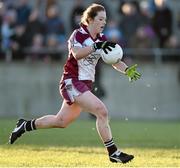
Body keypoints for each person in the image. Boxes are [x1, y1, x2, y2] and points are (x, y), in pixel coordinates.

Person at [9, 3, 141, 164]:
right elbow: (77, 54)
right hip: (70, 82)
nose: (104, 22)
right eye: (100, 19)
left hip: (84, 85)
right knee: (102, 111)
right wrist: (95, 46)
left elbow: (113, 60)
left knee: (61, 121)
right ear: (90, 19)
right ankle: (113, 152)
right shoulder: (78, 34)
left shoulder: (101, 39)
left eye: (105, 19)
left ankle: (24, 125)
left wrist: (126, 70)